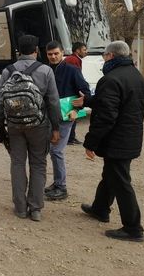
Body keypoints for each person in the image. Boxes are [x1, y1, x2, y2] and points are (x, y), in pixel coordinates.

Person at [73, 41, 144, 242]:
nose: (102, 60)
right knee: (111, 175)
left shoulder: (111, 79)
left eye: (104, 56)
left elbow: (106, 116)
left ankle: (133, 228)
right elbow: (115, 102)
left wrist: (90, 142)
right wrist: (87, 101)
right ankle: (100, 208)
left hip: (118, 140)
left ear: (111, 56)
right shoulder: (135, 75)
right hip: (130, 137)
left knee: (121, 181)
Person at [0, 34, 60, 222]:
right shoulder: (46, 70)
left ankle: (20, 208)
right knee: (38, 164)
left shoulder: (8, 70)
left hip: (15, 126)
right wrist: (55, 127)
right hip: (39, 125)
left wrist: (1, 123)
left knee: (17, 163)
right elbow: (53, 101)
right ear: (36, 50)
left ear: (18, 51)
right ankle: (36, 208)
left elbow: (0, 99)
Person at [44, 41, 91, 201]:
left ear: (63, 52)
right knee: (51, 150)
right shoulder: (46, 69)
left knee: (56, 151)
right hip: (49, 116)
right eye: (50, 54)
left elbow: (85, 92)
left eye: (56, 53)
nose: (53, 56)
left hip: (65, 117)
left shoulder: (72, 70)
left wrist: (76, 110)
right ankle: (57, 183)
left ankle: (61, 187)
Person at [64, 41, 88, 145]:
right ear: (77, 50)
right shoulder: (73, 60)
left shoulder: (72, 59)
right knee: (72, 113)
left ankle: (71, 137)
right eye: (84, 49)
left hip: (70, 90)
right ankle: (70, 138)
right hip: (71, 91)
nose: (86, 52)